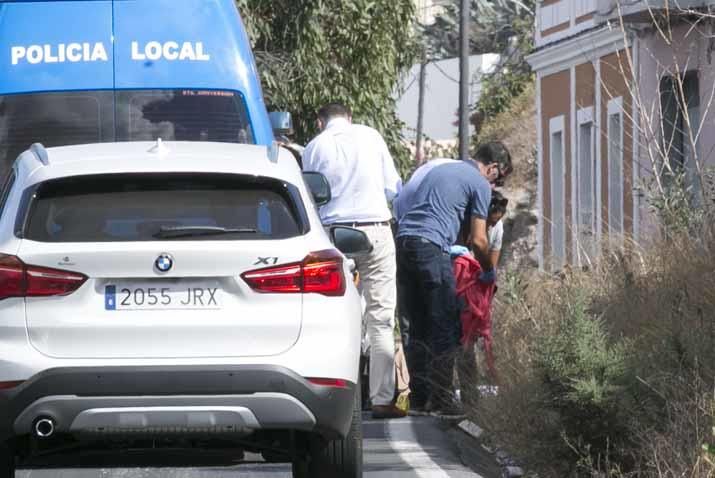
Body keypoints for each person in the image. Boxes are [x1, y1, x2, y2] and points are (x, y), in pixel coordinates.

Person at [302, 102, 406, 419]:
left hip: (335, 235)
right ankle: (382, 398)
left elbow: (312, 195)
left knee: (332, 315)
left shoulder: (314, 146)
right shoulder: (372, 136)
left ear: (321, 122)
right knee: (381, 318)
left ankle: (333, 398)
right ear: (350, 116)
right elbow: (394, 188)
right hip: (376, 231)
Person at [396, 142, 512, 416]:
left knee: (419, 324)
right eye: (500, 177)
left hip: (403, 243)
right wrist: (487, 270)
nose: (497, 185)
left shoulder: (443, 170)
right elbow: (480, 239)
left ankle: (419, 399)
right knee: (446, 323)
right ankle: (442, 401)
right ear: (493, 168)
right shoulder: (480, 184)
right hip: (431, 246)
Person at [453, 191, 509, 407]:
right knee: (454, 338)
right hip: (457, 281)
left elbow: (491, 263)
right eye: (490, 221)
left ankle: (470, 398)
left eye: (497, 221)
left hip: (477, 287)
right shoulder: (467, 222)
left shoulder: (498, 227)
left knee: (469, 341)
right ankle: (446, 393)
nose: (493, 226)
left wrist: (487, 287)